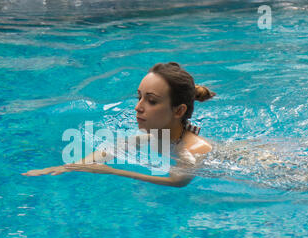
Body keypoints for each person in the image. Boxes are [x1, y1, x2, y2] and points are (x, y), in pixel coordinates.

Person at [21, 62, 215, 187]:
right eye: (139, 97)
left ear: (178, 111)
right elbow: (111, 150)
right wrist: (66, 167)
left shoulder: (194, 150)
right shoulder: (150, 136)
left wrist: (113, 171)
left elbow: (177, 181)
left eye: (152, 101)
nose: (138, 107)